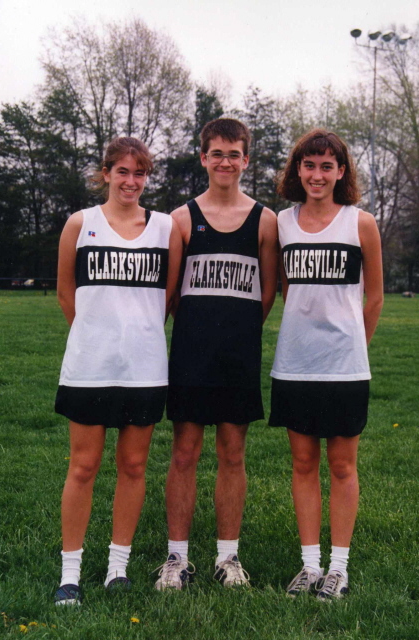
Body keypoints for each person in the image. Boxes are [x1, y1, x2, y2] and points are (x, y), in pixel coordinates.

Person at [54, 136, 182, 605]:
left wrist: (136, 335)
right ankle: (70, 573)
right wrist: (97, 336)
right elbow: (66, 294)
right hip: (90, 367)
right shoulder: (80, 223)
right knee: (83, 466)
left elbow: (167, 297)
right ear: (106, 172)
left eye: (140, 173)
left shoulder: (165, 228)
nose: (131, 181)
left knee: (133, 466)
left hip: (145, 370)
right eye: (123, 171)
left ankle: (117, 568)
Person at [154, 118, 278, 590]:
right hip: (192, 355)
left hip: (237, 357)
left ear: (246, 160)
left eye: (234, 154)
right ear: (203, 157)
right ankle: (176, 558)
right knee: (184, 452)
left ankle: (228, 557)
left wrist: (235, 333)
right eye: (217, 154)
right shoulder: (182, 219)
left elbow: (266, 294)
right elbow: (171, 295)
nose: (226, 162)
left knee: (232, 452)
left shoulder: (264, 221)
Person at [269, 129, 384, 600]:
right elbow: (286, 289)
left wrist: (352, 345)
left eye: (327, 166)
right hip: (295, 365)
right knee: (302, 464)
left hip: (345, 368)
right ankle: (310, 565)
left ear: (341, 172)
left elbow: (374, 298)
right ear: (298, 170)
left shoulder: (361, 223)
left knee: (341, 466)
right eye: (309, 165)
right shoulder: (282, 223)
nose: (317, 175)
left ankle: (338, 568)